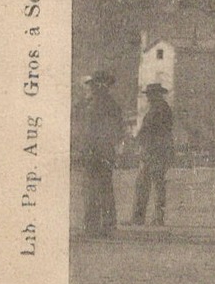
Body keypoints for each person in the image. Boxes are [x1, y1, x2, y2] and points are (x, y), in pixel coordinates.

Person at [74, 70, 124, 237]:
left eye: (95, 85)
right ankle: (106, 225)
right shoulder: (111, 104)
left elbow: (86, 130)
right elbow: (118, 130)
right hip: (102, 152)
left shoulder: (92, 105)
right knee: (103, 188)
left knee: (92, 189)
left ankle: (94, 226)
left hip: (93, 152)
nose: (93, 88)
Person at [131, 82, 174, 225]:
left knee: (152, 183)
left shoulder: (159, 110)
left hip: (155, 151)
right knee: (151, 183)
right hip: (155, 150)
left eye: (150, 94)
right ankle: (146, 217)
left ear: (156, 95)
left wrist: (139, 138)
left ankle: (149, 217)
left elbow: (151, 130)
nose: (148, 97)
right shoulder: (160, 108)